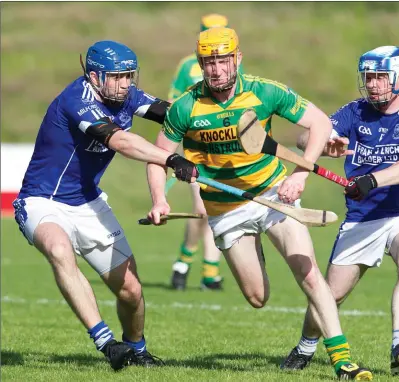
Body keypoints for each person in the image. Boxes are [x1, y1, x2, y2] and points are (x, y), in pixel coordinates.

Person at [147, 27, 373, 380]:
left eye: (223, 60)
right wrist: (159, 199)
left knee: (309, 272)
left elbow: (318, 122)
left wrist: (300, 175)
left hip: (272, 194)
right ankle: (256, 247)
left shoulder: (264, 91)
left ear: (237, 59)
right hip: (225, 209)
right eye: (209, 62)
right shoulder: (185, 108)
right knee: (257, 297)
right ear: (201, 65)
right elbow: (157, 157)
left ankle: (342, 360)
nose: (217, 69)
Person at [12, 40, 198, 371]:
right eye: (118, 77)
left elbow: (174, 115)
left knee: (130, 290)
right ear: (96, 77)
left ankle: (137, 349)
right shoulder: (77, 100)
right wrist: (170, 158)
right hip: (42, 201)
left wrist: (215, 129)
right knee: (58, 249)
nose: (127, 83)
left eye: (129, 76)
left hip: (89, 202)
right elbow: (121, 141)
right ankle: (106, 342)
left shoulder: (128, 97)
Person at [291, 46, 399, 377]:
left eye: (380, 77)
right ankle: (305, 346)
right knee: (330, 296)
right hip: (362, 217)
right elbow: (306, 136)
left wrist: (370, 180)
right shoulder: (354, 112)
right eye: (368, 77)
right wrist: (322, 144)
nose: (372, 84)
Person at [167, 13, 234, 291]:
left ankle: (210, 273)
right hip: (196, 148)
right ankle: (183, 261)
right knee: (200, 210)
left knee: (216, 209)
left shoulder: (231, 64)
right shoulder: (188, 66)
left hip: (223, 148)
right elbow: (173, 102)